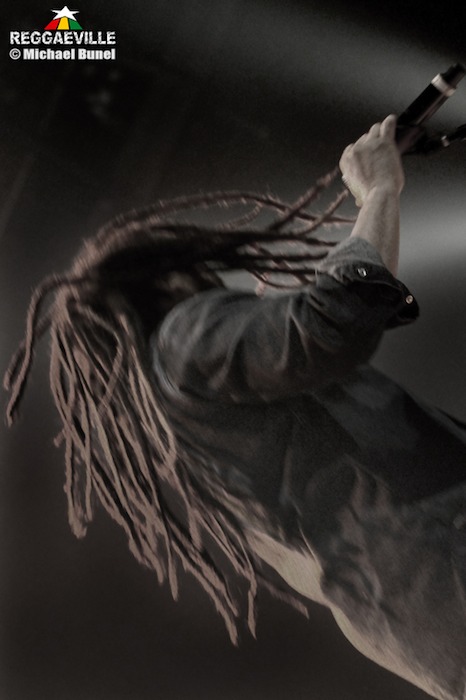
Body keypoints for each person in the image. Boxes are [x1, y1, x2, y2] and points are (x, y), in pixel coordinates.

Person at [4, 115, 466, 700]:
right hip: (438, 556)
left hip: (414, 615)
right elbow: (339, 314)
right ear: (168, 277)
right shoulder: (183, 338)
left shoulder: (189, 426)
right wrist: (378, 190)